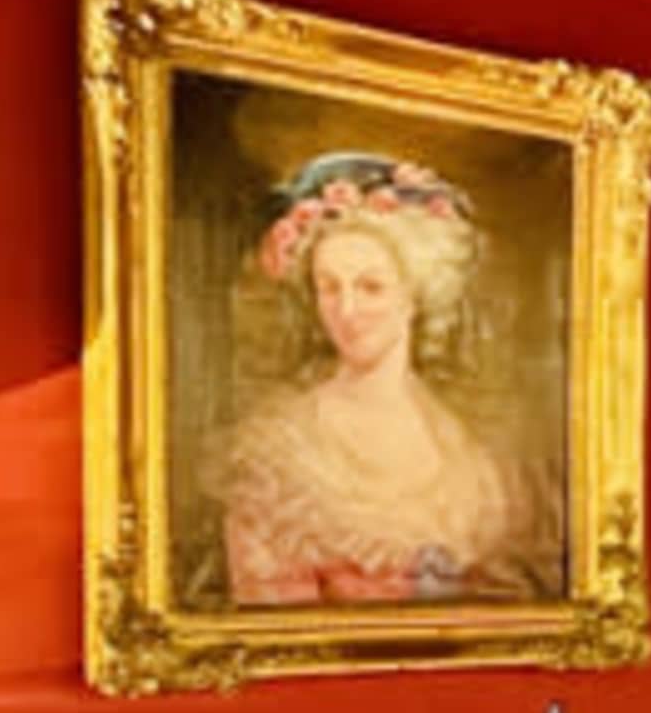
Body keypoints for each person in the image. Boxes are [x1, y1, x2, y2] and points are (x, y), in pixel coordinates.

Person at [216, 153, 558, 604]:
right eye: (329, 287)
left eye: (371, 287)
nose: (347, 311)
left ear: (413, 296)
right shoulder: (277, 450)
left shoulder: (466, 451)